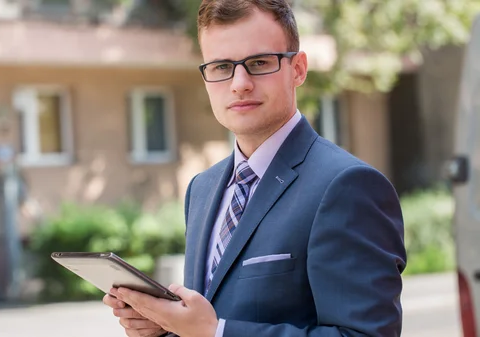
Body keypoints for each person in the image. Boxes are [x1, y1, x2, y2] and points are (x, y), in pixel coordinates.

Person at [103, 0, 407, 336]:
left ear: (298, 69)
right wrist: (166, 327)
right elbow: (207, 322)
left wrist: (216, 331)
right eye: (221, 67)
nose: (239, 83)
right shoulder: (202, 189)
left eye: (259, 62)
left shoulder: (348, 186)